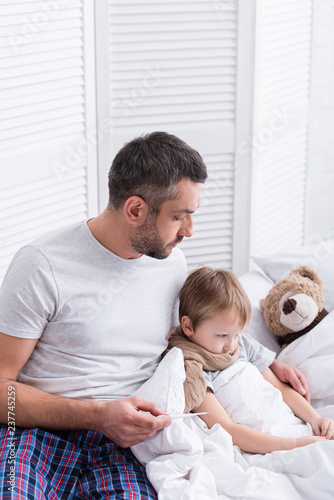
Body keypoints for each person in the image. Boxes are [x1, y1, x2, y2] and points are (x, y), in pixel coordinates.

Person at [0, 132, 310, 499]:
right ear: (135, 210)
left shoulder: (171, 265)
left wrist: (268, 359)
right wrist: (96, 416)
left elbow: (199, 327)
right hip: (38, 434)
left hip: (129, 446)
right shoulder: (42, 265)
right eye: (179, 217)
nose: (189, 232)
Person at [166, 266, 334, 454]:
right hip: (268, 445)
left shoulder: (243, 346)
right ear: (188, 326)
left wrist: (315, 419)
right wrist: (294, 445)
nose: (231, 346)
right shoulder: (193, 369)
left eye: (237, 334)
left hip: (290, 424)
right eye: (222, 335)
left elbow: (281, 389)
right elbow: (226, 428)